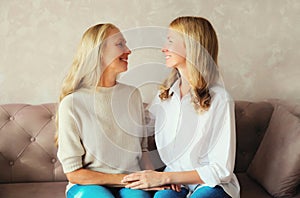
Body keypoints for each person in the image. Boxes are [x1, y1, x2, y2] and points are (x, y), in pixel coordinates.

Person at [121, 16, 240, 198]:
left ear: (192, 46)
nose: (163, 48)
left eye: (170, 41)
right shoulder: (165, 97)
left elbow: (221, 170)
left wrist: (164, 177)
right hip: (175, 183)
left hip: (210, 185)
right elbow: (140, 127)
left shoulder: (220, 100)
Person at [56, 23, 152, 198]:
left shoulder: (133, 95)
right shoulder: (72, 104)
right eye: (120, 44)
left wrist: (154, 180)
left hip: (131, 183)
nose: (129, 50)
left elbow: (143, 150)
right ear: (99, 52)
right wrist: (125, 179)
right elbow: (74, 173)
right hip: (87, 185)